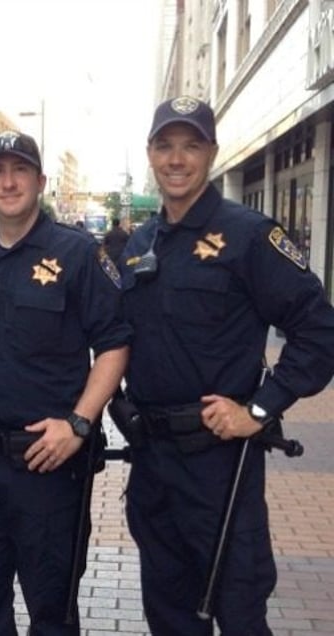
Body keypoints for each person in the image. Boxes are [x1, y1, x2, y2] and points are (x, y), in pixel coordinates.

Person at [118, 96, 334, 635]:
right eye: (165, 145)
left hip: (219, 463)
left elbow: (320, 332)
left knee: (237, 608)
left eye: (191, 146)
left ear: (211, 154)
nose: (176, 159)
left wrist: (258, 409)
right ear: (149, 153)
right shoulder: (139, 243)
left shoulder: (250, 235)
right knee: (168, 612)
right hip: (153, 461)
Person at [0, 130, 131, 634]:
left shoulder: (78, 254)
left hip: (48, 465)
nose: (8, 182)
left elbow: (113, 344)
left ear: (40, 181)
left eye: (19, 170)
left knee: (52, 615)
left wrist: (79, 423)